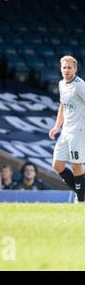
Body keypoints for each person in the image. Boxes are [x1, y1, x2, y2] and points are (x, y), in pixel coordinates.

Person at [49, 55, 85, 201]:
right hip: (65, 131)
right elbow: (63, 106)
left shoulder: (80, 85)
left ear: (75, 69)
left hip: (78, 131)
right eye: (64, 67)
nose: (66, 70)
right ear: (60, 69)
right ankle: (82, 191)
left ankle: (81, 200)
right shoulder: (61, 84)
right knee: (57, 165)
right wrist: (57, 126)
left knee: (76, 165)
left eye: (69, 68)